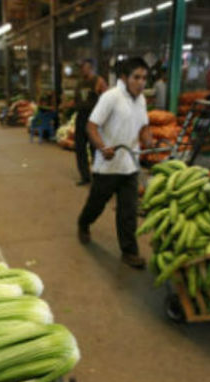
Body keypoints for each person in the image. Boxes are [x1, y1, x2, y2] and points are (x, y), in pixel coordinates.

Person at [77, 57, 153, 269]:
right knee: (97, 204)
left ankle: (129, 252)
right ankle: (83, 223)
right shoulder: (111, 97)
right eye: (136, 77)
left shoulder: (141, 100)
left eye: (144, 78)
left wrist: (147, 136)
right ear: (124, 77)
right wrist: (102, 147)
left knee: (128, 211)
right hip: (108, 167)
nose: (141, 82)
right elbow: (91, 126)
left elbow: (145, 125)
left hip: (130, 165)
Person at [74, 59, 108, 185]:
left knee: (95, 148)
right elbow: (77, 100)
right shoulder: (79, 83)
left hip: (93, 118)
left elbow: (107, 98)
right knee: (80, 148)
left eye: (84, 67)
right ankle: (85, 176)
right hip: (81, 117)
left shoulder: (98, 81)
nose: (82, 69)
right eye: (81, 67)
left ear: (90, 67)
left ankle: (98, 175)